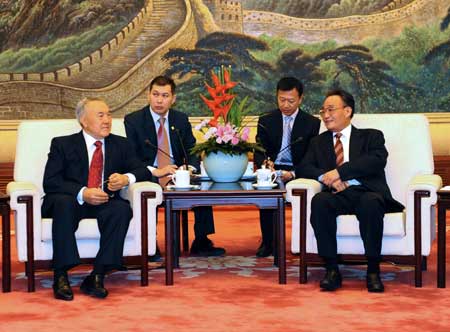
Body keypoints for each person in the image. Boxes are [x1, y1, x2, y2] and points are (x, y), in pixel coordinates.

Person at [42, 97, 152, 301]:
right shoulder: (62, 144)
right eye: (100, 115)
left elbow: (142, 170)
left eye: (109, 114)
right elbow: (50, 182)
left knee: (121, 209)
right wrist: (83, 192)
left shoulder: (121, 144)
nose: (107, 120)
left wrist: (125, 178)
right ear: (84, 121)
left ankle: (97, 275)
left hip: (103, 201)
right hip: (71, 201)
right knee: (63, 203)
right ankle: (61, 274)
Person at [297, 89, 404, 292]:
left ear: (347, 111)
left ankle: (373, 270)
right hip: (338, 195)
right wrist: (326, 178)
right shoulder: (318, 142)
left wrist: (339, 173)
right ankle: (331, 270)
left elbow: (376, 160)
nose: (325, 115)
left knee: (370, 203)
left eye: (330, 109)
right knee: (320, 201)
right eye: (323, 111)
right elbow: (304, 167)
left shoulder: (371, 136)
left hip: (366, 192)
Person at [124, 75, 225, 257]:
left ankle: (202, 241)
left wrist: (190, 169)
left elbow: (192, 149)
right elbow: (131, 156)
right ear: (149, 95)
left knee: (202, 187)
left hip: (177, 173)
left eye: (165, 95)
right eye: (155, 94)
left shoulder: (180, 119)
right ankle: (150, 245)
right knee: (148, 190)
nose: (159, 100)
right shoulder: (134, 120)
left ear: (173, 98)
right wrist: (156, 171)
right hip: (150, 171)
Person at [254, 77, 320, 257]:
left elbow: (312, 155)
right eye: (281, 99)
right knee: (266, 191)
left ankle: (304, 240)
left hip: (299, 169)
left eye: (291, 100)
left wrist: (293, 173)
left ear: (300, 99)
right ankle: (268, 242)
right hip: (274, 168)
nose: (286, 104)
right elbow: (259, 148)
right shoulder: (266, 120)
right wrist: (265, 164)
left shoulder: (312, 123)